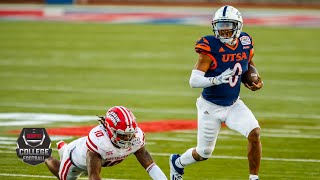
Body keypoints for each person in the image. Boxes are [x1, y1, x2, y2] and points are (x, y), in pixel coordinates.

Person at [169, 5, 263, 180]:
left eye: (228, 25)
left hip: (234, 104)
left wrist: (255, 78)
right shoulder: (209, 47)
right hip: (210, 107)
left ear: (238, 26)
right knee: (203, 153)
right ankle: (178, 162)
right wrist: (216, 79)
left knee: (254, 132)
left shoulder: (245, 42)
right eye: (220, 26)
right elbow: (194, 81)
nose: (224, 30)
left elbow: (247, 62)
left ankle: (254, 178)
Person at [45, 106, 168, 180]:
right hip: (76, 158)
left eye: (130, 134)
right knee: (63, 177)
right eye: (122, 135)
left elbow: (150, 165)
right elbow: (93, 175)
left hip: (98, 157)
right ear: (109, 130)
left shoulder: (136, 138)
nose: (128, 138)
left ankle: (63, 148)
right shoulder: (100, 142)